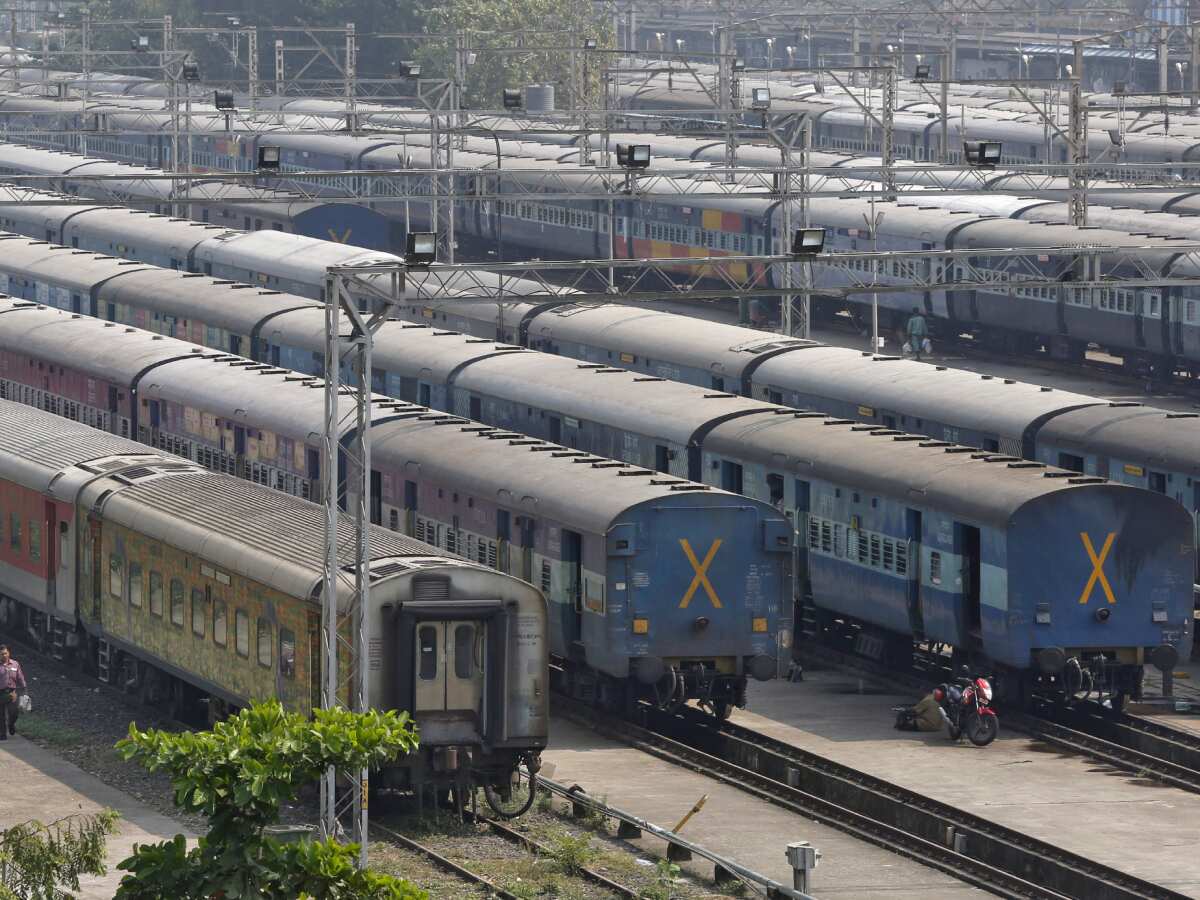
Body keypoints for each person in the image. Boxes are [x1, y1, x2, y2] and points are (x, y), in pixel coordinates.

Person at [0, 644, 26, 740]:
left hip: (12, 693)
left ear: (9, 653)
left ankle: (11, 724)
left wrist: (24, 688)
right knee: (1, 715)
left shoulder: (15, 664)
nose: (4, 656)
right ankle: (2, 734)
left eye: (5, 653)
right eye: (2, 654)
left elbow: (20, 677)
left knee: (14, 713)